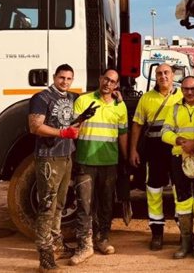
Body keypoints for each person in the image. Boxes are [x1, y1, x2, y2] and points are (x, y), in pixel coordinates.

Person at [69, 69, 128, 265]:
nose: (108, 84)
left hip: (109, 162)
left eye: (112, 81)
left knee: (106, 204)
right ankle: (84, 246)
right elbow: (72, 128)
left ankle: (102, 239)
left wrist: (126, 158)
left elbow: (123, 134)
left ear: (116, 85)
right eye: (105, 79)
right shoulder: (83, 101)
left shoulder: (120, 107)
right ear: (99, 79)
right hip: (85, 161)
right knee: (84, 206)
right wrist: (82, 118)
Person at [28, 64, 79, 272]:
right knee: (47, 206)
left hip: (66, 156)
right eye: (61, 78)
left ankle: (56, 243)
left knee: (60, 204)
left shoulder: (71, 98)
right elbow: (35, 126)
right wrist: (62, 133)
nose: (65, 82)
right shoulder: (41, 98)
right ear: (54, 77)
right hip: (49, 157)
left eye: (68, 79)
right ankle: (45, 255)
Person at [129, 63, 183, 250]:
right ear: (155, 77)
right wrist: (133, 150)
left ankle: (184, 232)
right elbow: (137, 124)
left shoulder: (183, 95)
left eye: (166, 73)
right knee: (154, 190)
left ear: (173, 75)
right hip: (154, 150)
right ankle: (157, 234)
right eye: (159, 73)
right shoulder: (146, 98)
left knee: (181, 189)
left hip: (177, 149)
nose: (163, 76)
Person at [161, 75, 194, 259]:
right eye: (186, 89)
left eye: (193, 88)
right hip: (179, 157)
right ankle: (185, 241)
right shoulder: (174, 108)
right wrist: (179, 140)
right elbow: (164, 131)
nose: (189, 92)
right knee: (181, 199)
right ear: (181, 90)